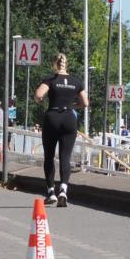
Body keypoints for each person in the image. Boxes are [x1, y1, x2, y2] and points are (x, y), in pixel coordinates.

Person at [34, 53, 90, 207]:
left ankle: (51, 191)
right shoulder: (76, 81)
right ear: (67, 64)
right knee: (65, 157)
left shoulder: (50, 80)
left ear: (55, 64)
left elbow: (39, 95)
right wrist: (73, 106)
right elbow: (85, 103)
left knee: (49, 156)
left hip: (52, 117)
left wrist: (39, 101)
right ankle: (63, 190)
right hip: (69, 119)